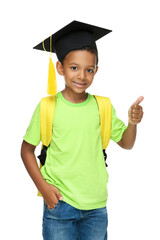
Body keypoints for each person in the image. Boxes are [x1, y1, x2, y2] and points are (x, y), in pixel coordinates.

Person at [21, 21, 143, 240]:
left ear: (96, 70)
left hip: (96, 207)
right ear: (60, 68)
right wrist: (44, 188)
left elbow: (127, 143)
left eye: (89, 70)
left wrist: (132, 122)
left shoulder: (102, 106)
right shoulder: (48, 107)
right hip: (60, 204)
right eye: (74, 68)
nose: (82, 76)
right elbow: (26, 150)